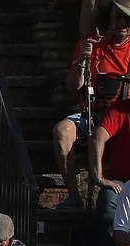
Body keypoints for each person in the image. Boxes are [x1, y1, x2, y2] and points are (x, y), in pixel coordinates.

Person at [55, 0, 130, 210]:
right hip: (90, 113)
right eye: (118, 16)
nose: (122, 23)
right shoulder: (90, 42)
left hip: (120, 118)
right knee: (62, 131)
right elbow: (72, 86)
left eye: (128, 19)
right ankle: (74, 196)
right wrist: (81, 60)